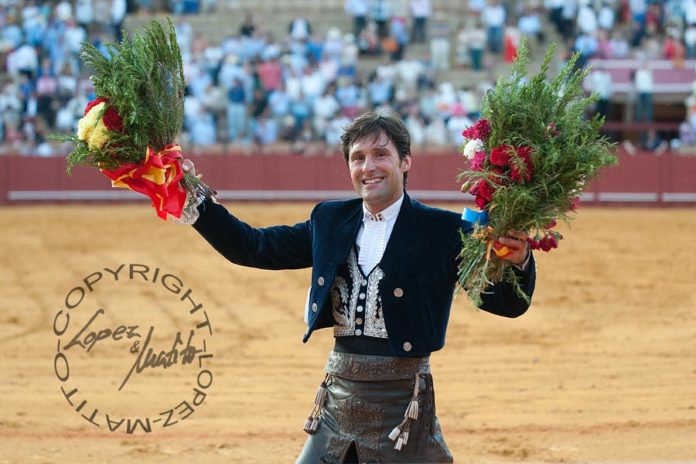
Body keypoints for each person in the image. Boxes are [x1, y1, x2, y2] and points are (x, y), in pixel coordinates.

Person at [182, 111, 535, 463]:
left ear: (405, 161)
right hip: (338, 399)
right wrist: (195, 201)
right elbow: (253, 247)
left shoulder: (442, 231)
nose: (369, 167)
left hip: (403, 404)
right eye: (358, 158)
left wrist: (517, 261)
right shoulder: (329, 219)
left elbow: (504, 303)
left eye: (381, 155)